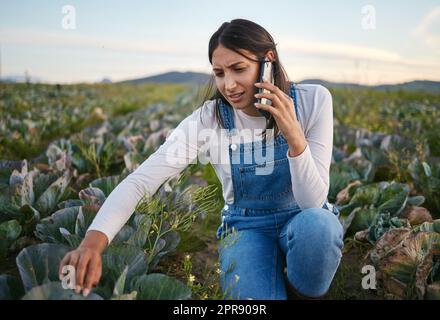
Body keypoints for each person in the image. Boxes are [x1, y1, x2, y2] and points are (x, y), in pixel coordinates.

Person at [59, 18, 343, 300]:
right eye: (219, 73)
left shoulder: (313, 101)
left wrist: (294, 136)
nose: (228, 85)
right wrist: (92, 244)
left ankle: (300, 292)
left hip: (301, 217)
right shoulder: (209, 119)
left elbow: (312, 203)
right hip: (246, 226)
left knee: (320, 226)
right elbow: (143, 180)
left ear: (268, 61)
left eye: (238, 69)